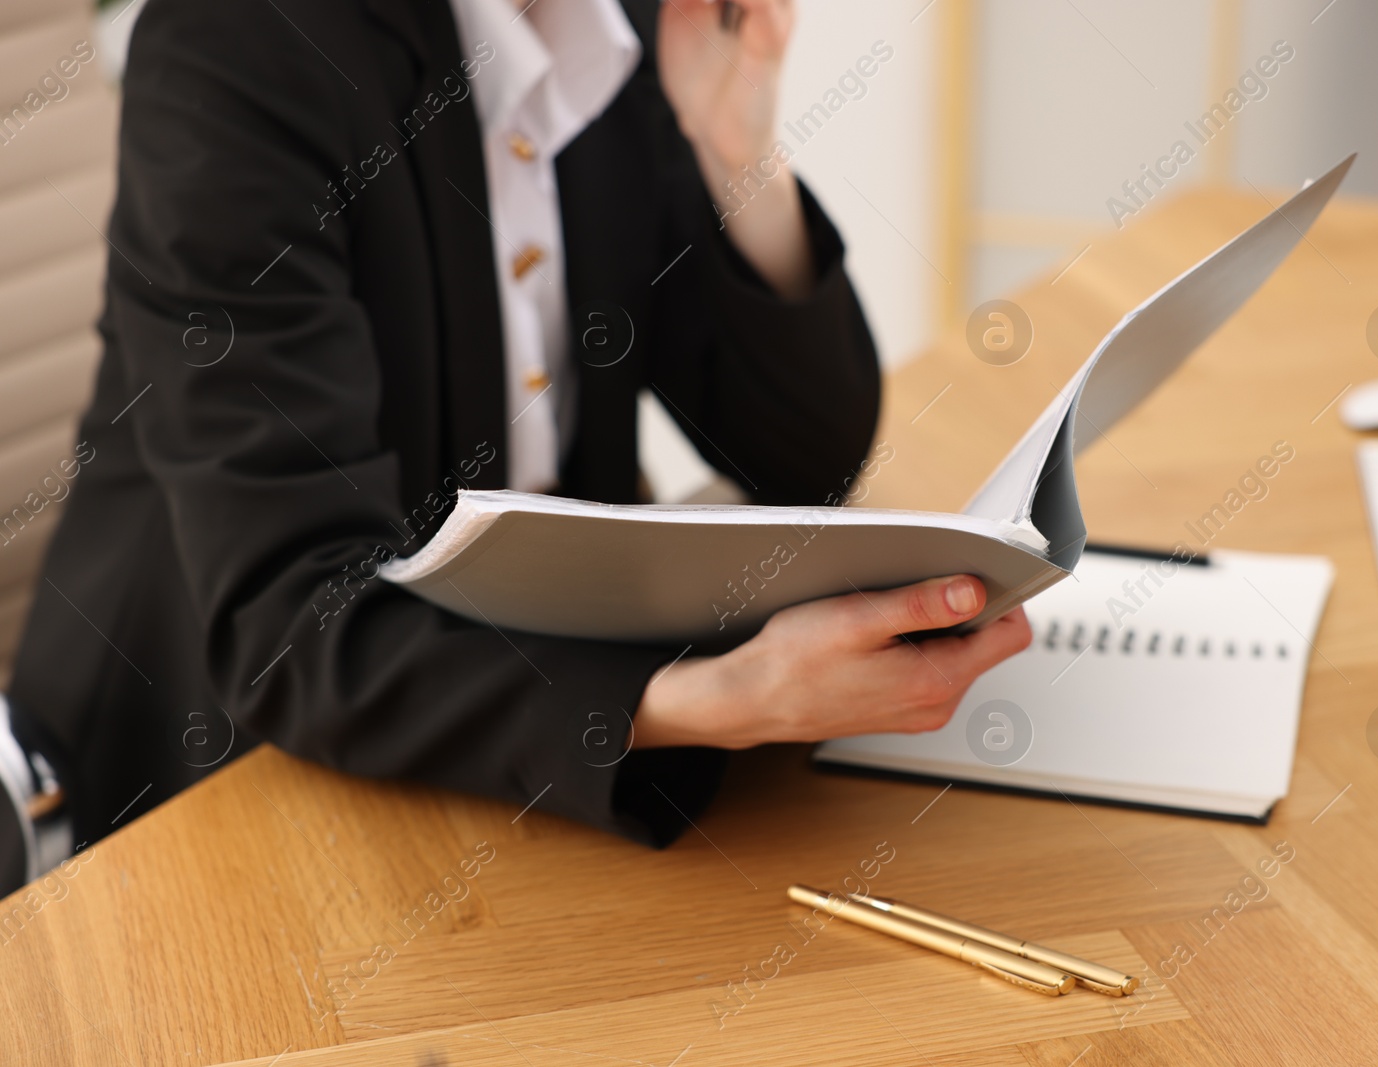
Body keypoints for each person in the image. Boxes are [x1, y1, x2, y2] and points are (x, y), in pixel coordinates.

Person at [0, 0, 1029, 884]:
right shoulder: (237, 51)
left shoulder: (613, 28)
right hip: (231, 775)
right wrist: (692, 698)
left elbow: (800, 453)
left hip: (515, 733)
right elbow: (291, 619)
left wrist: (734, 145)